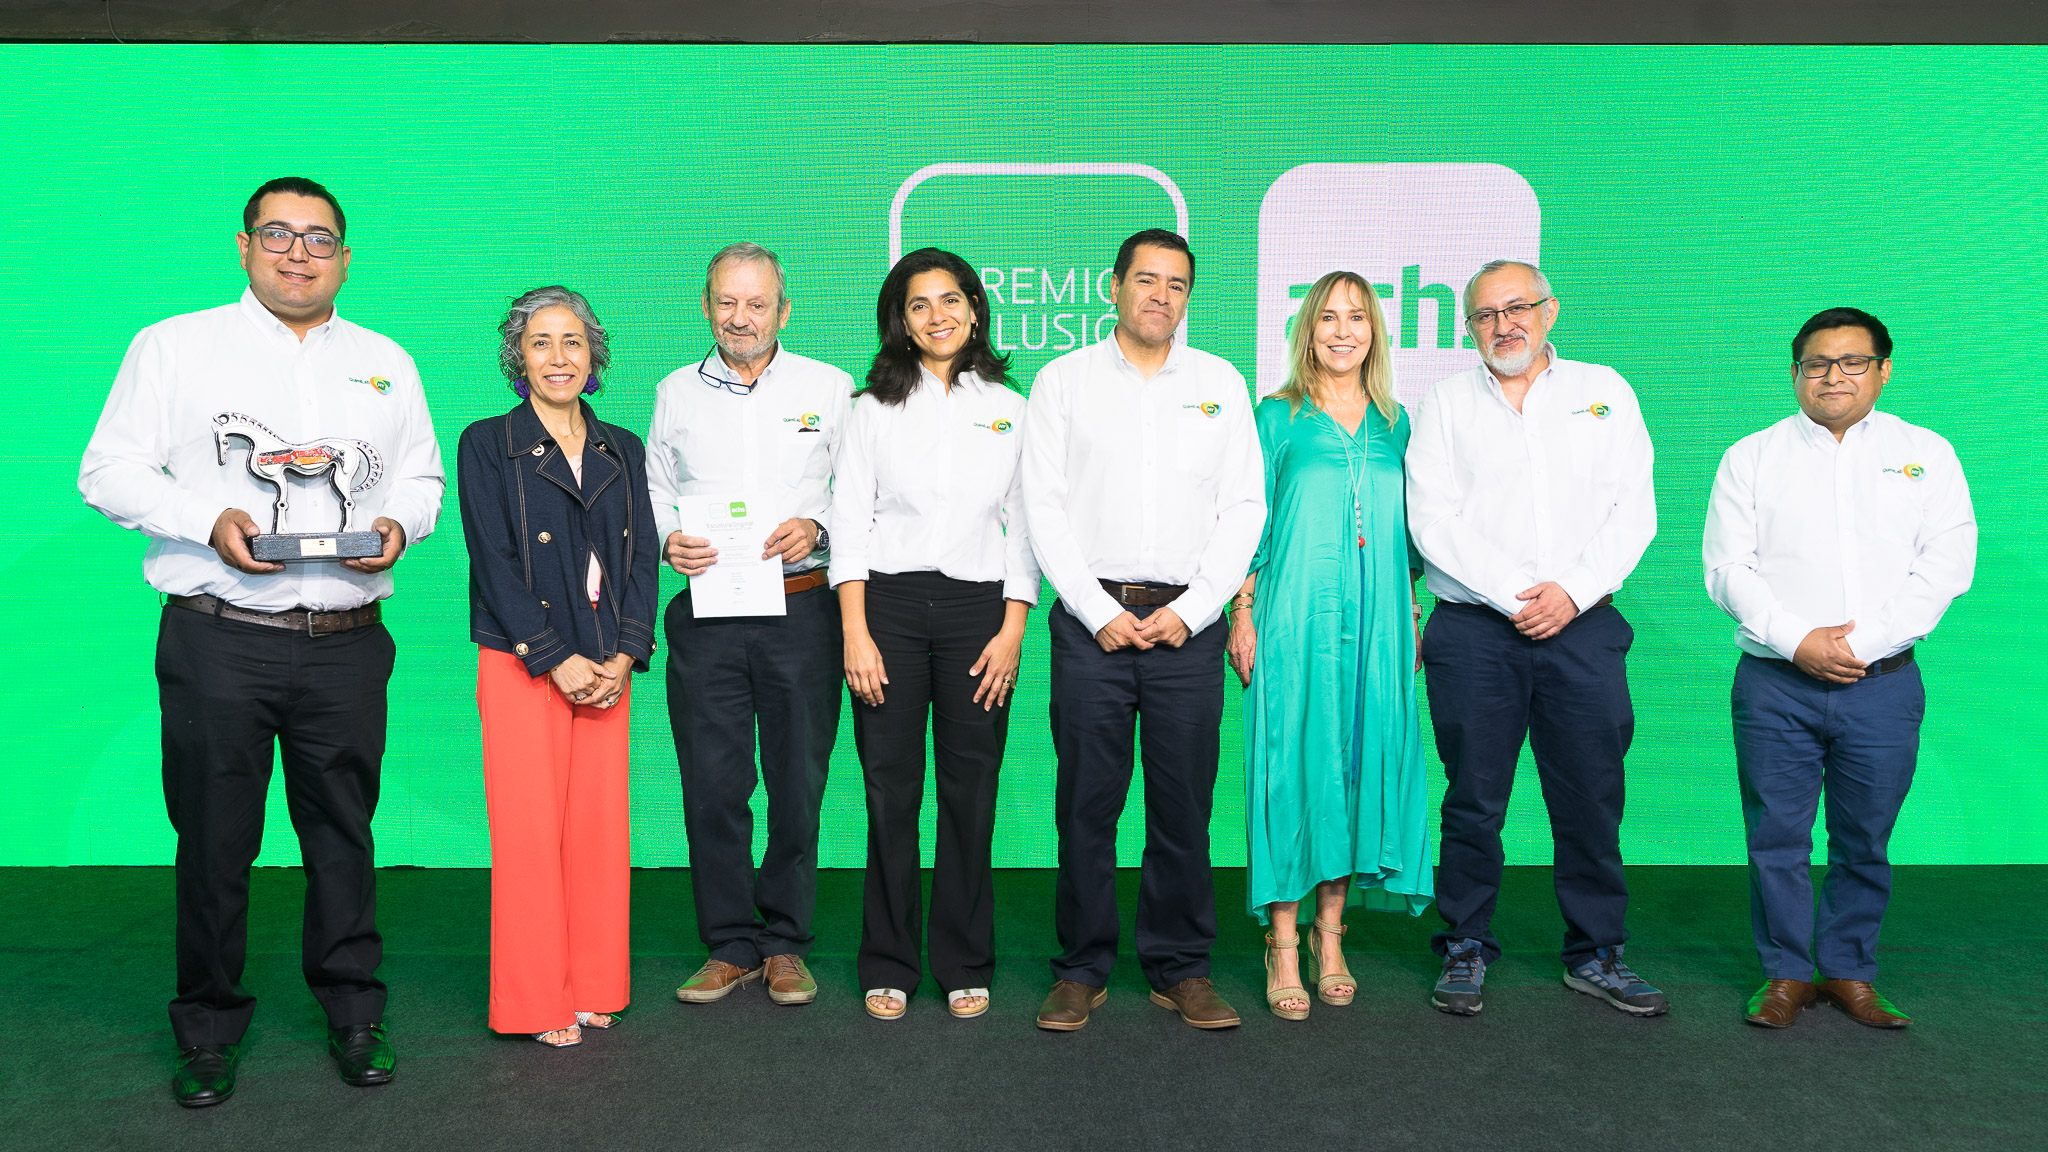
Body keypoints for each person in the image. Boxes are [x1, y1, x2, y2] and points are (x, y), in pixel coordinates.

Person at [78, 177, 442, 1106]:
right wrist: (206, 520)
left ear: (345, 259)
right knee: (213, 839)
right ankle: (206, 1028)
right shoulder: (173, 346)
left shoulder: (386, 361)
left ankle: (355, 1013)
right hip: (220, 639)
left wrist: (400, 524)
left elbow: (422, 478)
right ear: (243, 246)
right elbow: (108, 471)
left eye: (319, 239)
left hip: (347, 642)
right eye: (277, 234)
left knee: (343, 835)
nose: (297, 253)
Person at [1406, 259, 1666, 1018]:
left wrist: (1571, 594)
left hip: (1583, 627)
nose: (1503, 325)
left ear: (1550, 310)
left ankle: (1597, 953)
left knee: (1591, 797)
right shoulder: (1445, 403)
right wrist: (1519, 595)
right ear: (1469, 329)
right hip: (1475, 633)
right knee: (1473, 799)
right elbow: (1431, 518)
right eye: (1485, 315)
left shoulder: (1604, 392)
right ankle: (1464, 944)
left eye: (1517, 307)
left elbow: (1634, 511)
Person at [1021, 228, 1266, 1032]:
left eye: (1177, 284)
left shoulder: (1220, 383)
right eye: (1147, 280)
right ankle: (1081, 969)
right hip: (1091, 625)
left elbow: (1245, 508)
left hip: (1187, 629)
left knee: (1183, 807)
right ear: (1114, 287)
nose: (1162, 296)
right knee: (1085, 805)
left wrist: (1194, 611)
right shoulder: (1063, 382)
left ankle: (1181, 968)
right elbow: (1042, 507)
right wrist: (1097, 612)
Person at [1704, 308, 1974, 1030]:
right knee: (1776, 838)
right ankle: (1786, 975)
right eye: (1817, 364)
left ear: (1883, 371)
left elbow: (1946, 565)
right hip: (1776, 683)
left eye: (1853, 362)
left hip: (1882, 685)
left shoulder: (1926, 453)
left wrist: (1865, 644)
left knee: (1865, 838)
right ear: (1795, 374)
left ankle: (1851, 971)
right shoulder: (1751, 457)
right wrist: (1798, 640)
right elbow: (1727, 568)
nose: (1833, 377)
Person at [832, 248, 1039, 1022]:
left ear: (975, 309)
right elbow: (849, 522)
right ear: (900, 320)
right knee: (890, 792)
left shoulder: (1012, 408)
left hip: (979, 614)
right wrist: (854, 632)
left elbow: (1026, 526)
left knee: (970, 792)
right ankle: (889, 959)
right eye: (918, 304)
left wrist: (1014, 627)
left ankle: (963, 960)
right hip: (884, 609)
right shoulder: (869, 409)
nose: (937, 315)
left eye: (950, 299)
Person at [647, 242, 854, 1008]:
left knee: (798, 782)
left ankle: (787, 941)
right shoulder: (674, 392)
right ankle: (730, 943)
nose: (741, 318)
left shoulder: (829, 388)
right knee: (713, 784)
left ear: (783, 311)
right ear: (706, 306)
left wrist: (818, 527)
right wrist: (669, 538)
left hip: (802, 609)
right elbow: (655, 489)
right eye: (727, 303)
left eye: (757, 304)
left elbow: (860, 491)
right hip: (707, 611)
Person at [1227, 272, 1433, 1021]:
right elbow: (1245, 520)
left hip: (1380, 620)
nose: (1343, 331)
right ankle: (1282, 942)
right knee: (1292, 763)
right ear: (1307, 331)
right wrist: (1242, 611)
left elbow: (1411, 533)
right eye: (1328, 318)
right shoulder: (1275, 417)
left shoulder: (1398, 422)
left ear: (1375, 331)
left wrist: (1411, 612)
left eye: (1357, 317)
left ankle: (1331, 934)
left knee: (1358, 764)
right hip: (1293, 616)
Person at [457, 287, 658, 1047]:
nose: (558, 357)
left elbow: (641, 558)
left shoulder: (622, 447)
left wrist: (626, 651)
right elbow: (492, 559)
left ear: (593, 354)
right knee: (529, 837)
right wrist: (552, 656)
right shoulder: (487, 443)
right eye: (540, 342)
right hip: (523, 661)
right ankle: (535, 1001)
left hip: (607, 662)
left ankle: (594, 984)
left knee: (599, 834)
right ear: (518, 357)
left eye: (572, 341)